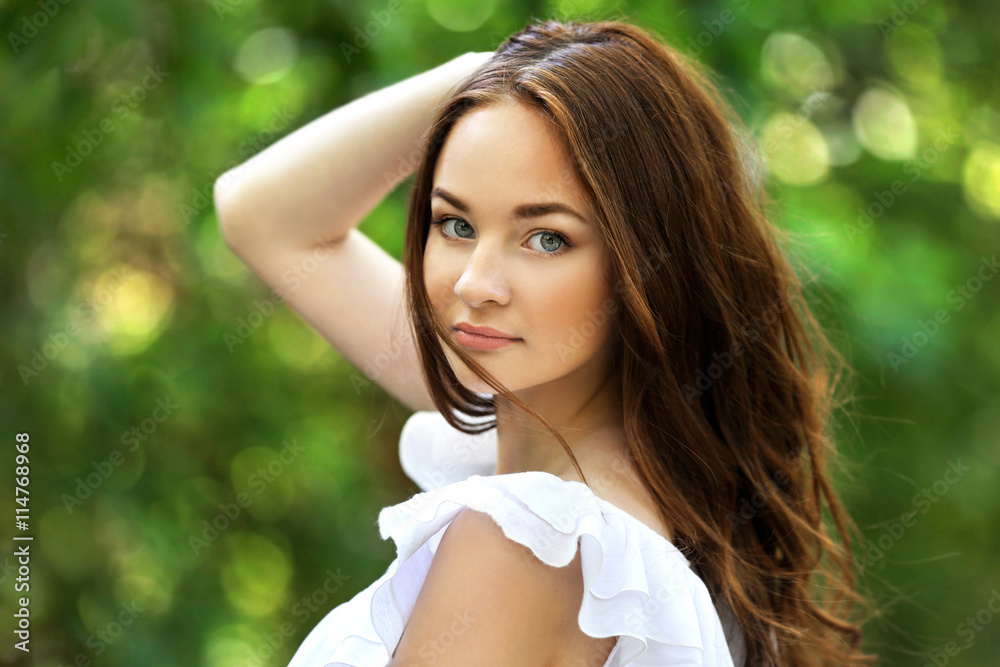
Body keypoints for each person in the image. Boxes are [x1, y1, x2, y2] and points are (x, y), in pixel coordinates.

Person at [214, 18, 877, 667]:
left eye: (547, 238)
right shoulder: (631, 484)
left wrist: (502, 71)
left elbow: (263, 215)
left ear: (648, 265)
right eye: (455, 223)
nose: (476, 284)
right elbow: (257, 214)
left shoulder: (527, 540)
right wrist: (498, 73)